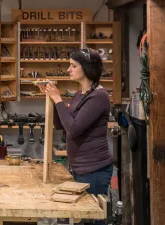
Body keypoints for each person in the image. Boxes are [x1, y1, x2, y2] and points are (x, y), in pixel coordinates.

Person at [39, 48, 113, 224]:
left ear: (86, 68)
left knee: (93, 220)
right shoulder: (81, 93)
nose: (68, 70)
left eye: (73, 66)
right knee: (83, 220)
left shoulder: (99, 96)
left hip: (94, 170)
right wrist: (53, 99)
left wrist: (58, 99)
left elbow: (73, 129)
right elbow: (61, 125)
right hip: (80, 168)